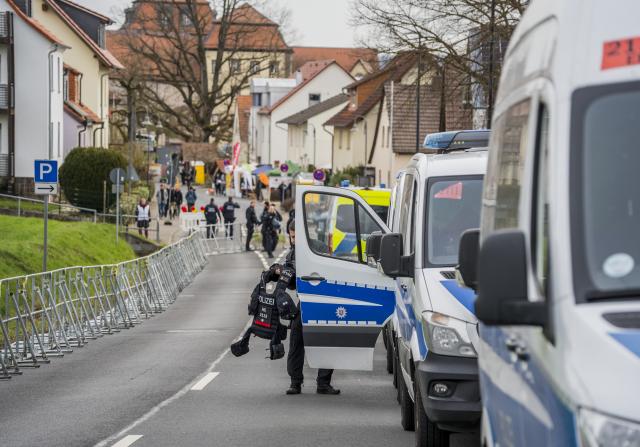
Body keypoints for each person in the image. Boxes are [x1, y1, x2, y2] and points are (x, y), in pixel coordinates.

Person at [285, 218, 339, 395]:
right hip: (304, 303)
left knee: (326, 342)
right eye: (291, 237)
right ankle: (295, 383)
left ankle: (323, 383)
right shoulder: (292, 254)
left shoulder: (320, 249)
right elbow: (291, 285)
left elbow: (331, 274)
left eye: (295, 237)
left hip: (323, 302)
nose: (293, 241)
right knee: (296, 343)